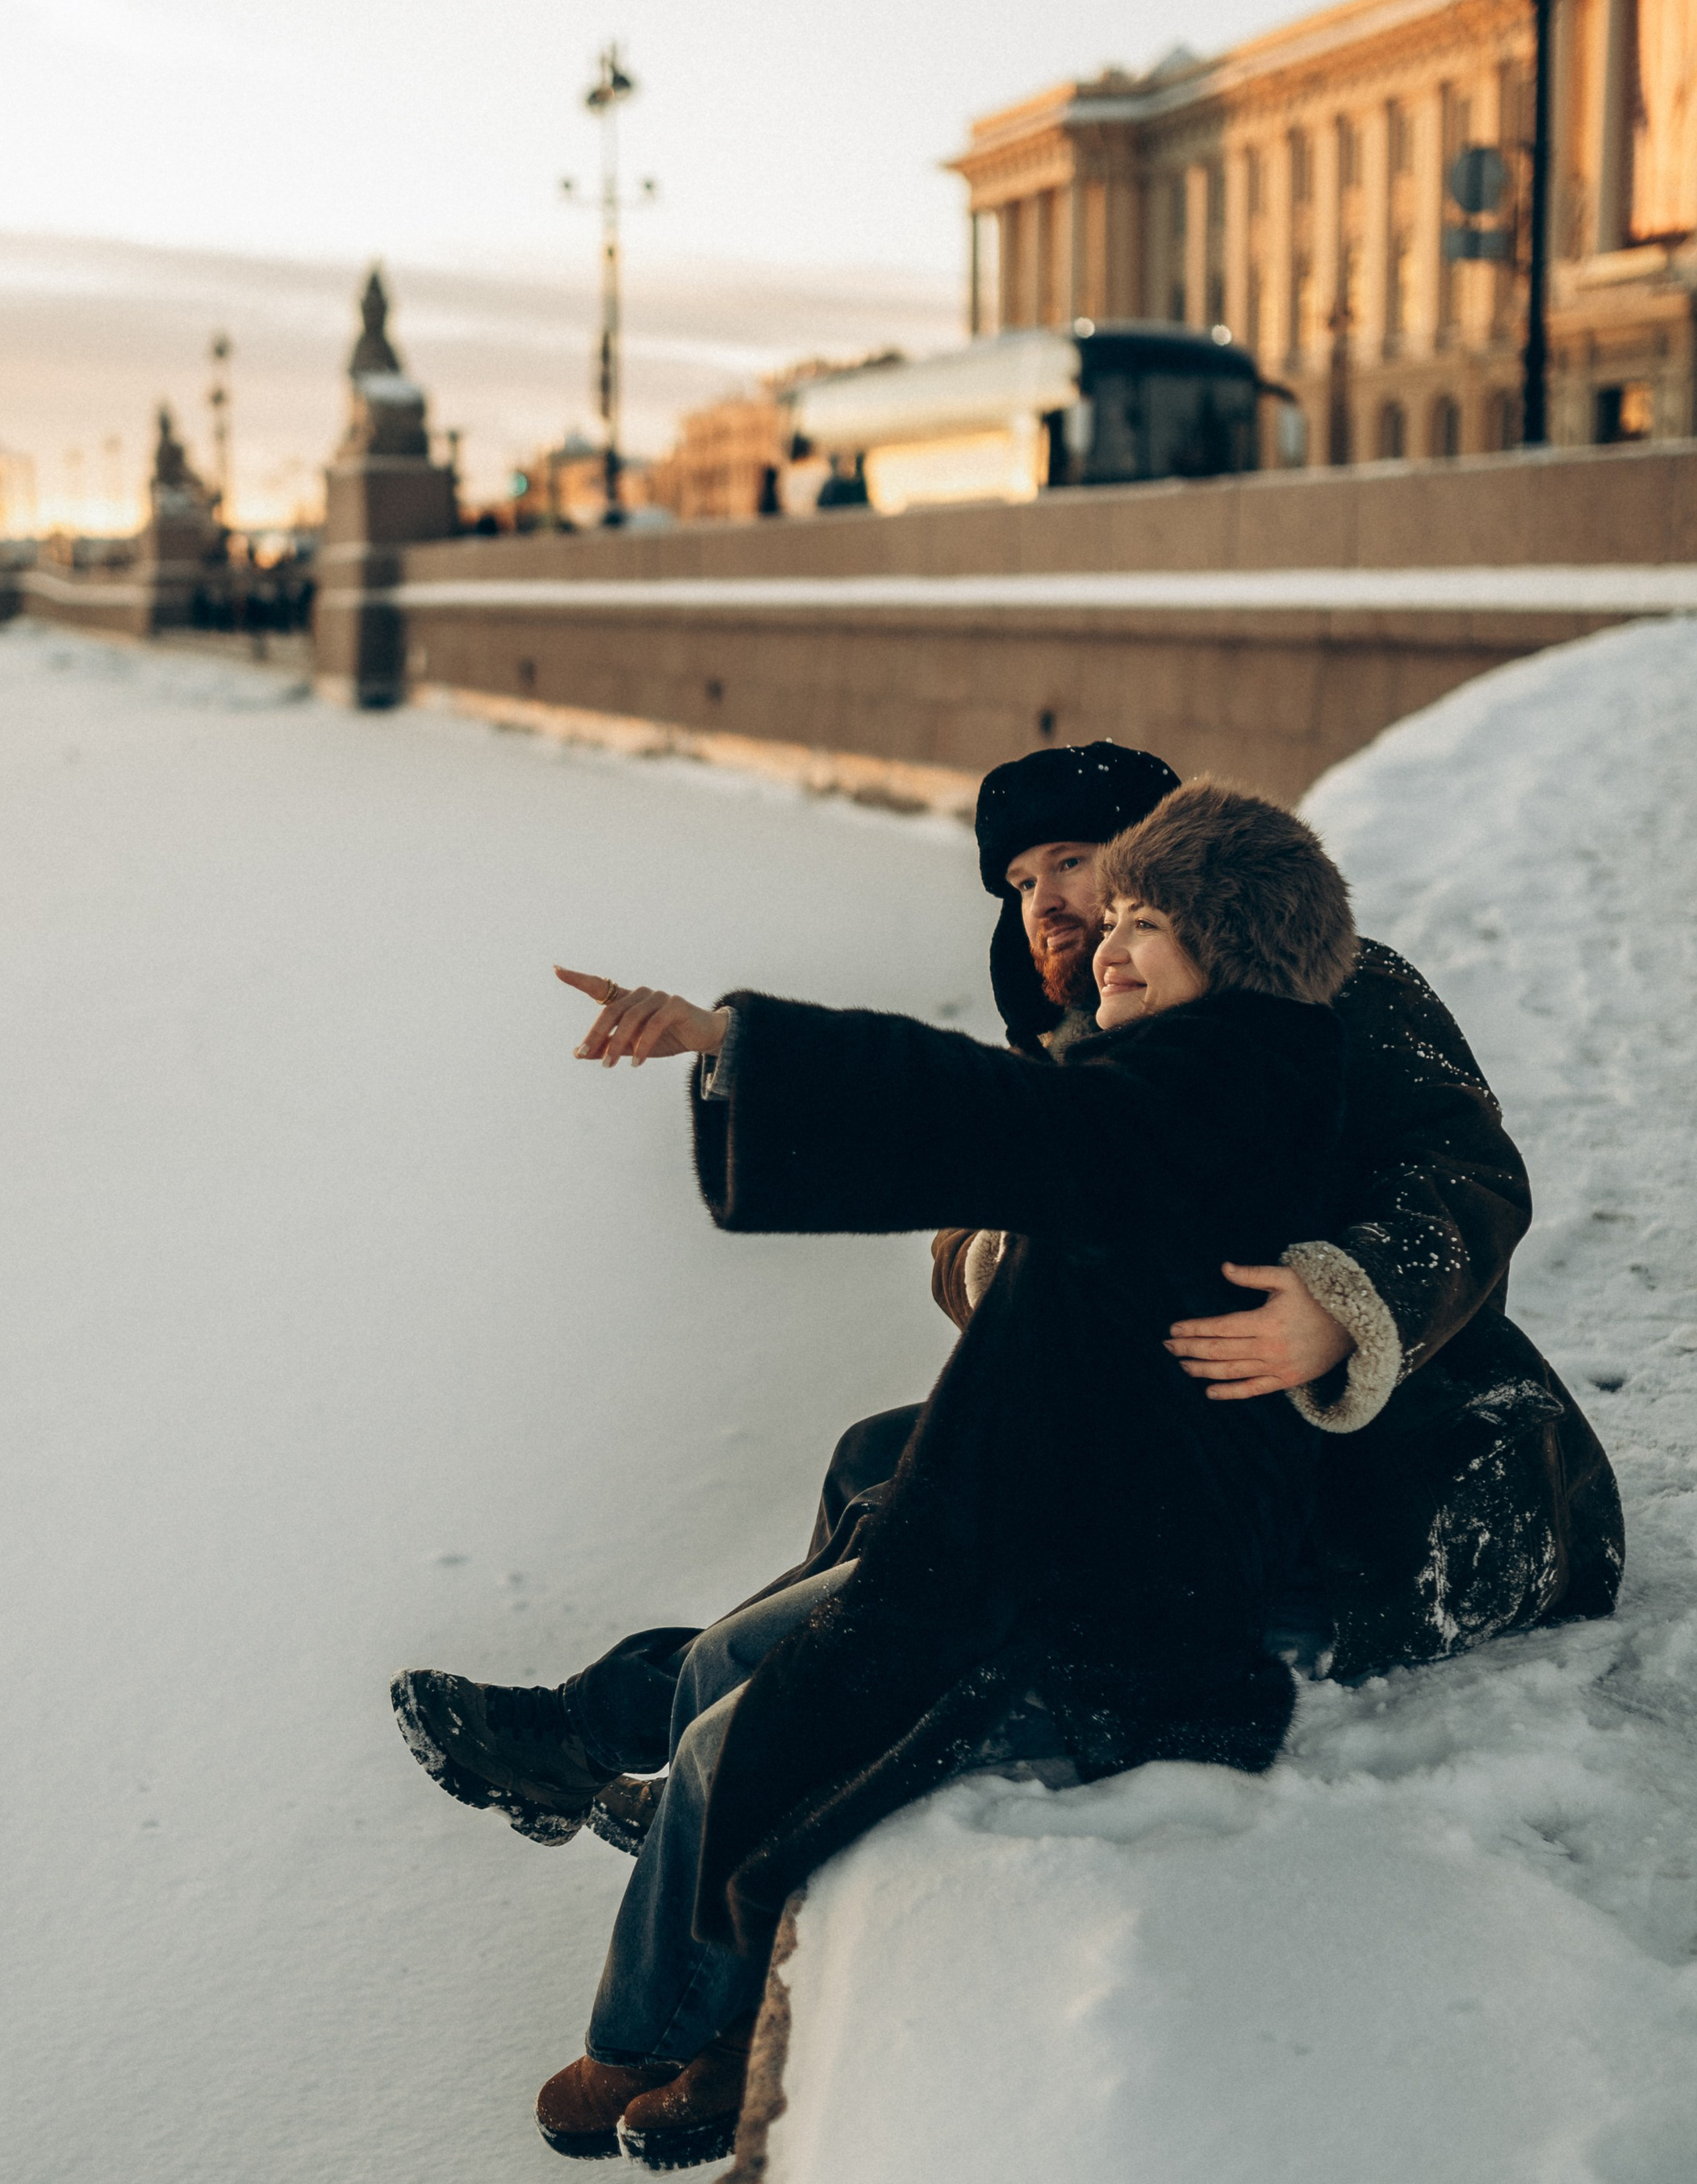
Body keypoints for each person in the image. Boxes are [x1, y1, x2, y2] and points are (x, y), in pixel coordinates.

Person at [395, 741, 1622, 1874]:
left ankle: (666, 1746)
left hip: (1416, 1475)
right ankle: (683, 1730)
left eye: (1076, 864)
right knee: (886, 1460)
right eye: (1021, 879)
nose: (1044, 900)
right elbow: (961, 1223)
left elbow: (1466, 1177)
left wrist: (1342, 1310)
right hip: (1201, 1450)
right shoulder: (1095, 1035)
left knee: (948, 1519)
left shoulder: (1326, 992)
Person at [522, 779, 1357, 2168]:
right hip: (1023, 1550)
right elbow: (1023, 1131)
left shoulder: (1216, 1089)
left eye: (1153, 920)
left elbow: (988, 1117)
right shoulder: (1181, 1080)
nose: (1107, 941)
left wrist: (734, 1038)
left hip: (1116, 1619)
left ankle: (666, 2036)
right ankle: (662, 2016)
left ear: (1244, 944)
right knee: (736, 1665)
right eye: (1116, 915)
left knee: (767, 1738)